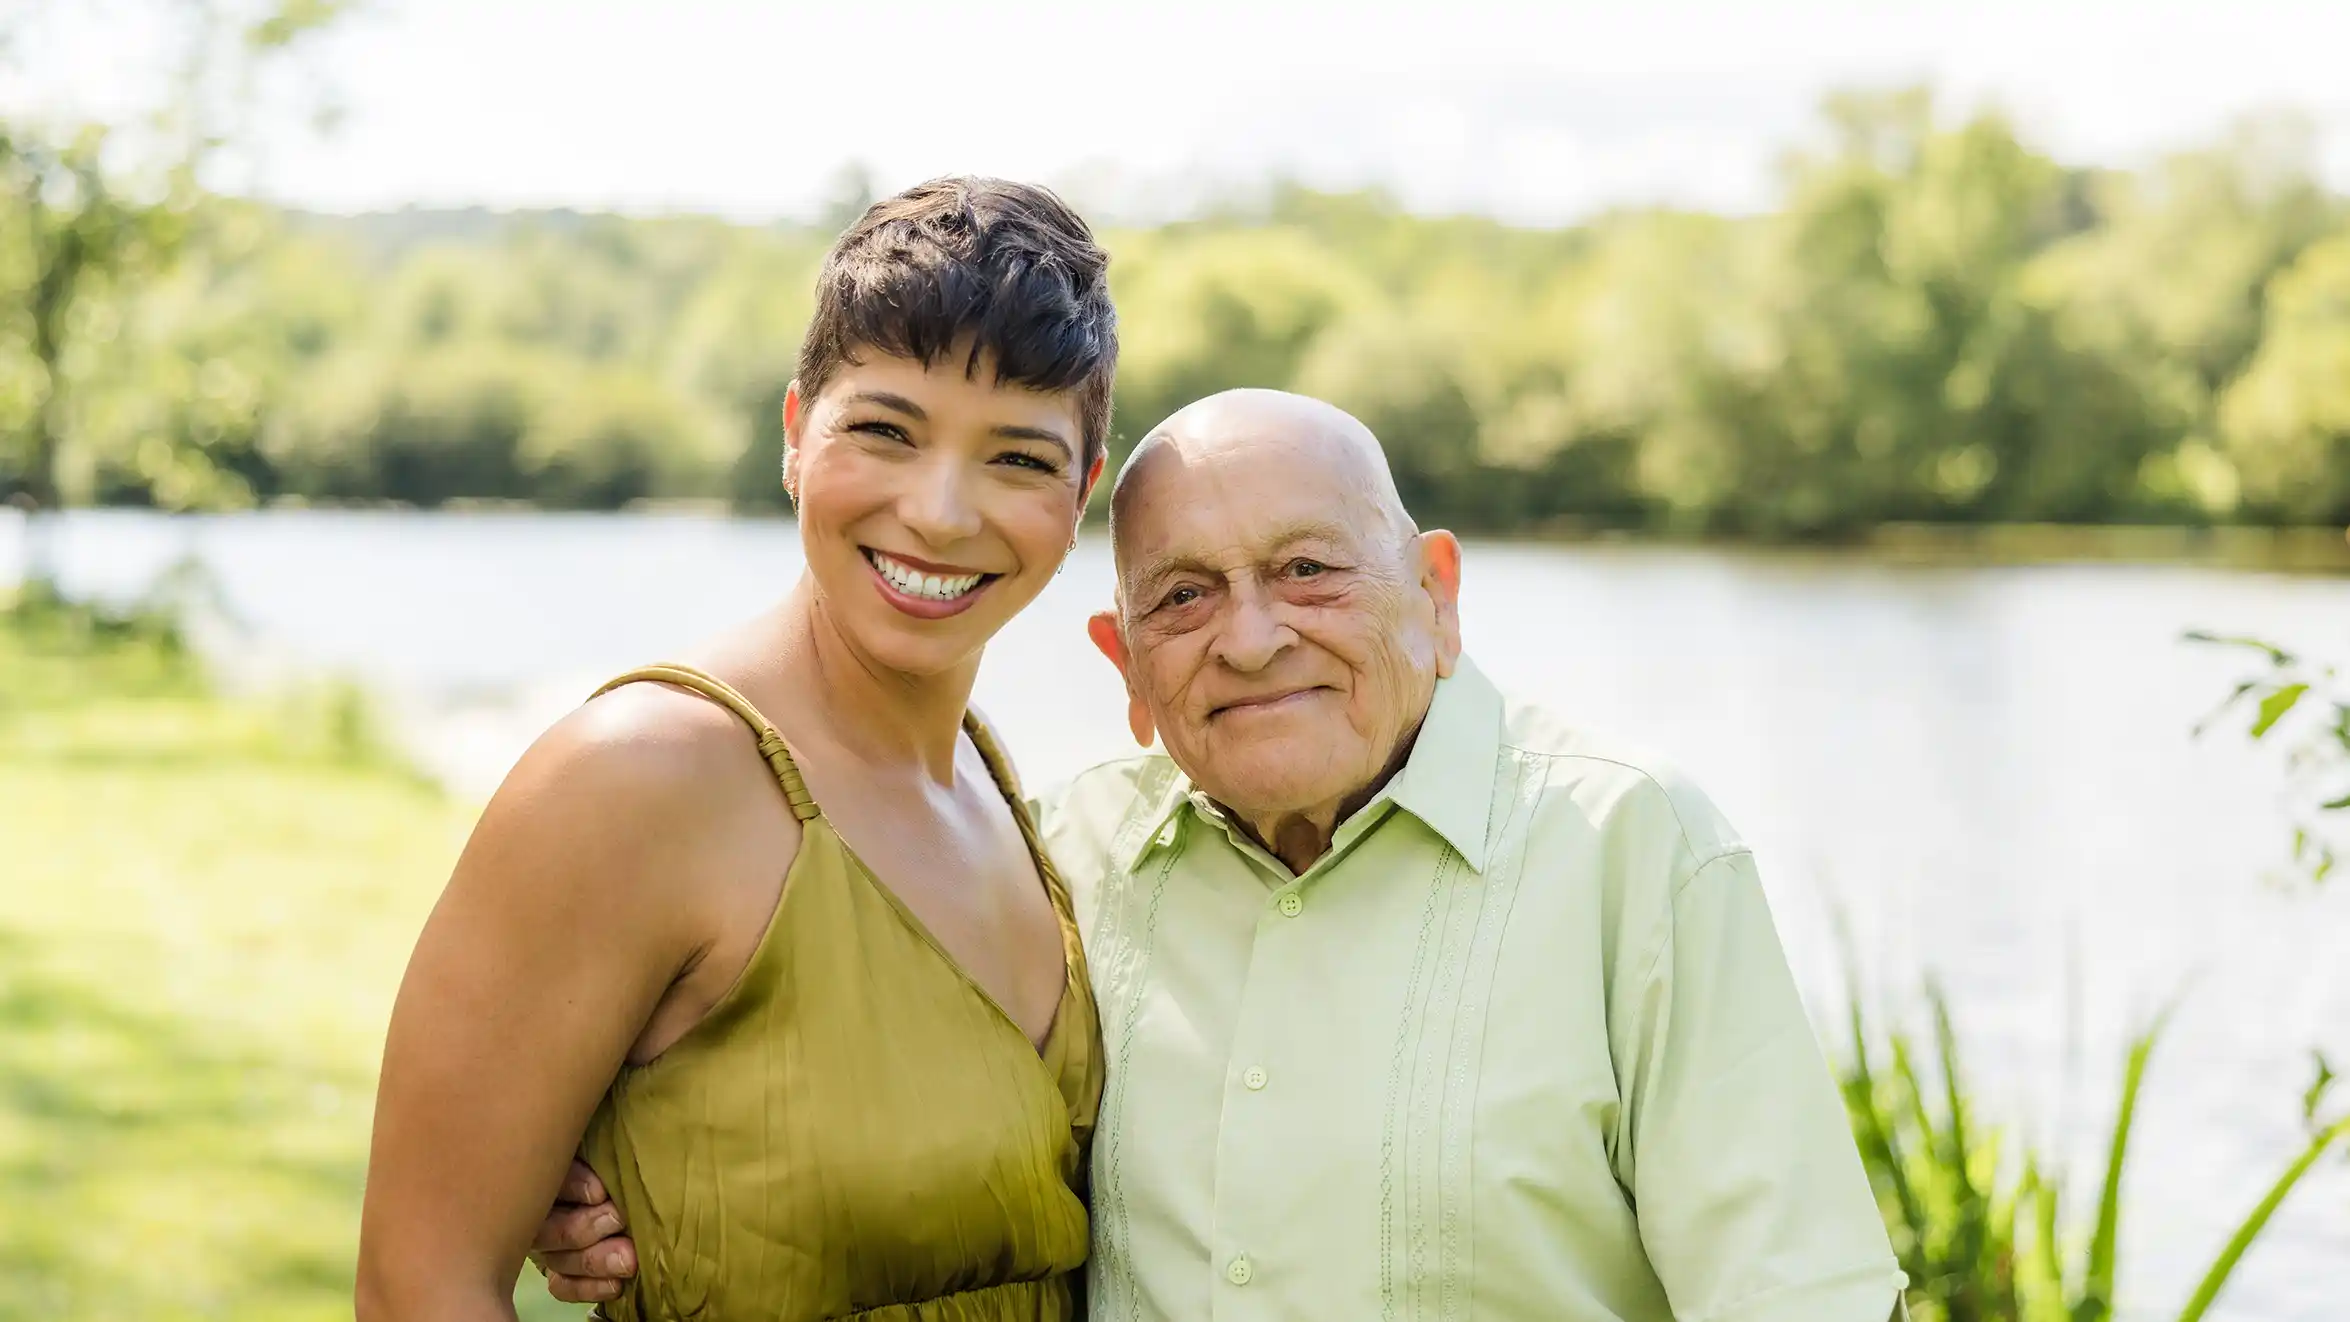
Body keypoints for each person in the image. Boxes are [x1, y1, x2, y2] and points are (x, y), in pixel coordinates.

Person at [533, 389, 1910, 1321]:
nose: (1248, 638)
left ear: (1434, 595)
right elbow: (850, 1107)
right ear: (1124, 666)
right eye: (1184, 597)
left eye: (1308, 570)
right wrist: (610, 1175)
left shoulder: (1634, 851)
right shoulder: (1055, 866)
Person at [355, 176, 1119, 1322]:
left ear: (1080, 495)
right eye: (884, 431)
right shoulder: (638, 775)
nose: (943, 512)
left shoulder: (1002, 792)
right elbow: (421, 1284)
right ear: (795, 436)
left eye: (1017, 458)